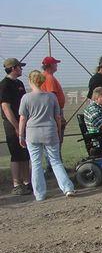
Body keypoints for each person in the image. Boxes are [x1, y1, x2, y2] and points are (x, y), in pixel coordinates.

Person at [18, 70, 75, 201]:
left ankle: (39, 194)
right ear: (42, 81)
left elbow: (22, 118)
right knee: (55, 161)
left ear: (31, 81)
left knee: (36, 163)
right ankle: (67, 188)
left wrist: (21, 135)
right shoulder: (51, 97)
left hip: (32, 133)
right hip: (50, 131)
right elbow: (58, 117)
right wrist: (59, 132)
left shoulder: (26, 98)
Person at [0, 58, 31, 195]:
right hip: (12, 123)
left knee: (25, 153)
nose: (21, 69)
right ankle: (16, 184)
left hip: (23, 121)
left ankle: (27, 182)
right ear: (13, 68)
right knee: (16, 154)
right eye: (19, 67)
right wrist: (16, 126)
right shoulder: (5, 84)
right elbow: (6, 108)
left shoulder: (19, 83)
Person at [40, 56, 66, 143]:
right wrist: (58, 115)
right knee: (57, 138)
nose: (56, 65)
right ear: (50, 65)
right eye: (55, 63)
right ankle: (56, 156)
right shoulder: (49, 77)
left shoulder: (43, 76)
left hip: (49, 111)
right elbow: (52, 97)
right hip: (54, 111)